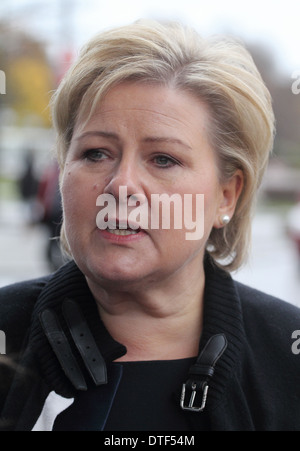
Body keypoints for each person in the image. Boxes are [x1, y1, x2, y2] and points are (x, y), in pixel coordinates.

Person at [0, 20, 300, 432]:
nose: (120, 185)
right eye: (95, 153)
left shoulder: (287, 358)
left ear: (227, 195)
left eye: (163, 159)